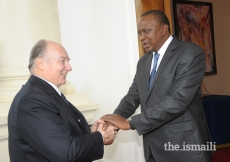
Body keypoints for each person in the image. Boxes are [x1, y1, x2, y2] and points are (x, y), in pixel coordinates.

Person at [100, 10, 212, 162]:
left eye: (146, 31)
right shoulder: (144, 62)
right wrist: (112, 121)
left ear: (163, 29)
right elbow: (132, 97)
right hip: (152, 148)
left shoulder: (190, 53)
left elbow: (177, 101)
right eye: (139, 33)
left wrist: (130, 123)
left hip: (184, 147)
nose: (142, 37)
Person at [8, 39, 117, 162]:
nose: (69, 67)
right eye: (62, 61)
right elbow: (66, 152)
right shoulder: (32, 100)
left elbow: (61, 132)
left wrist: (91, 132)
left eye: (68, 61)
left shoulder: (44, 94)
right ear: (41, 63)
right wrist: (100, 136)